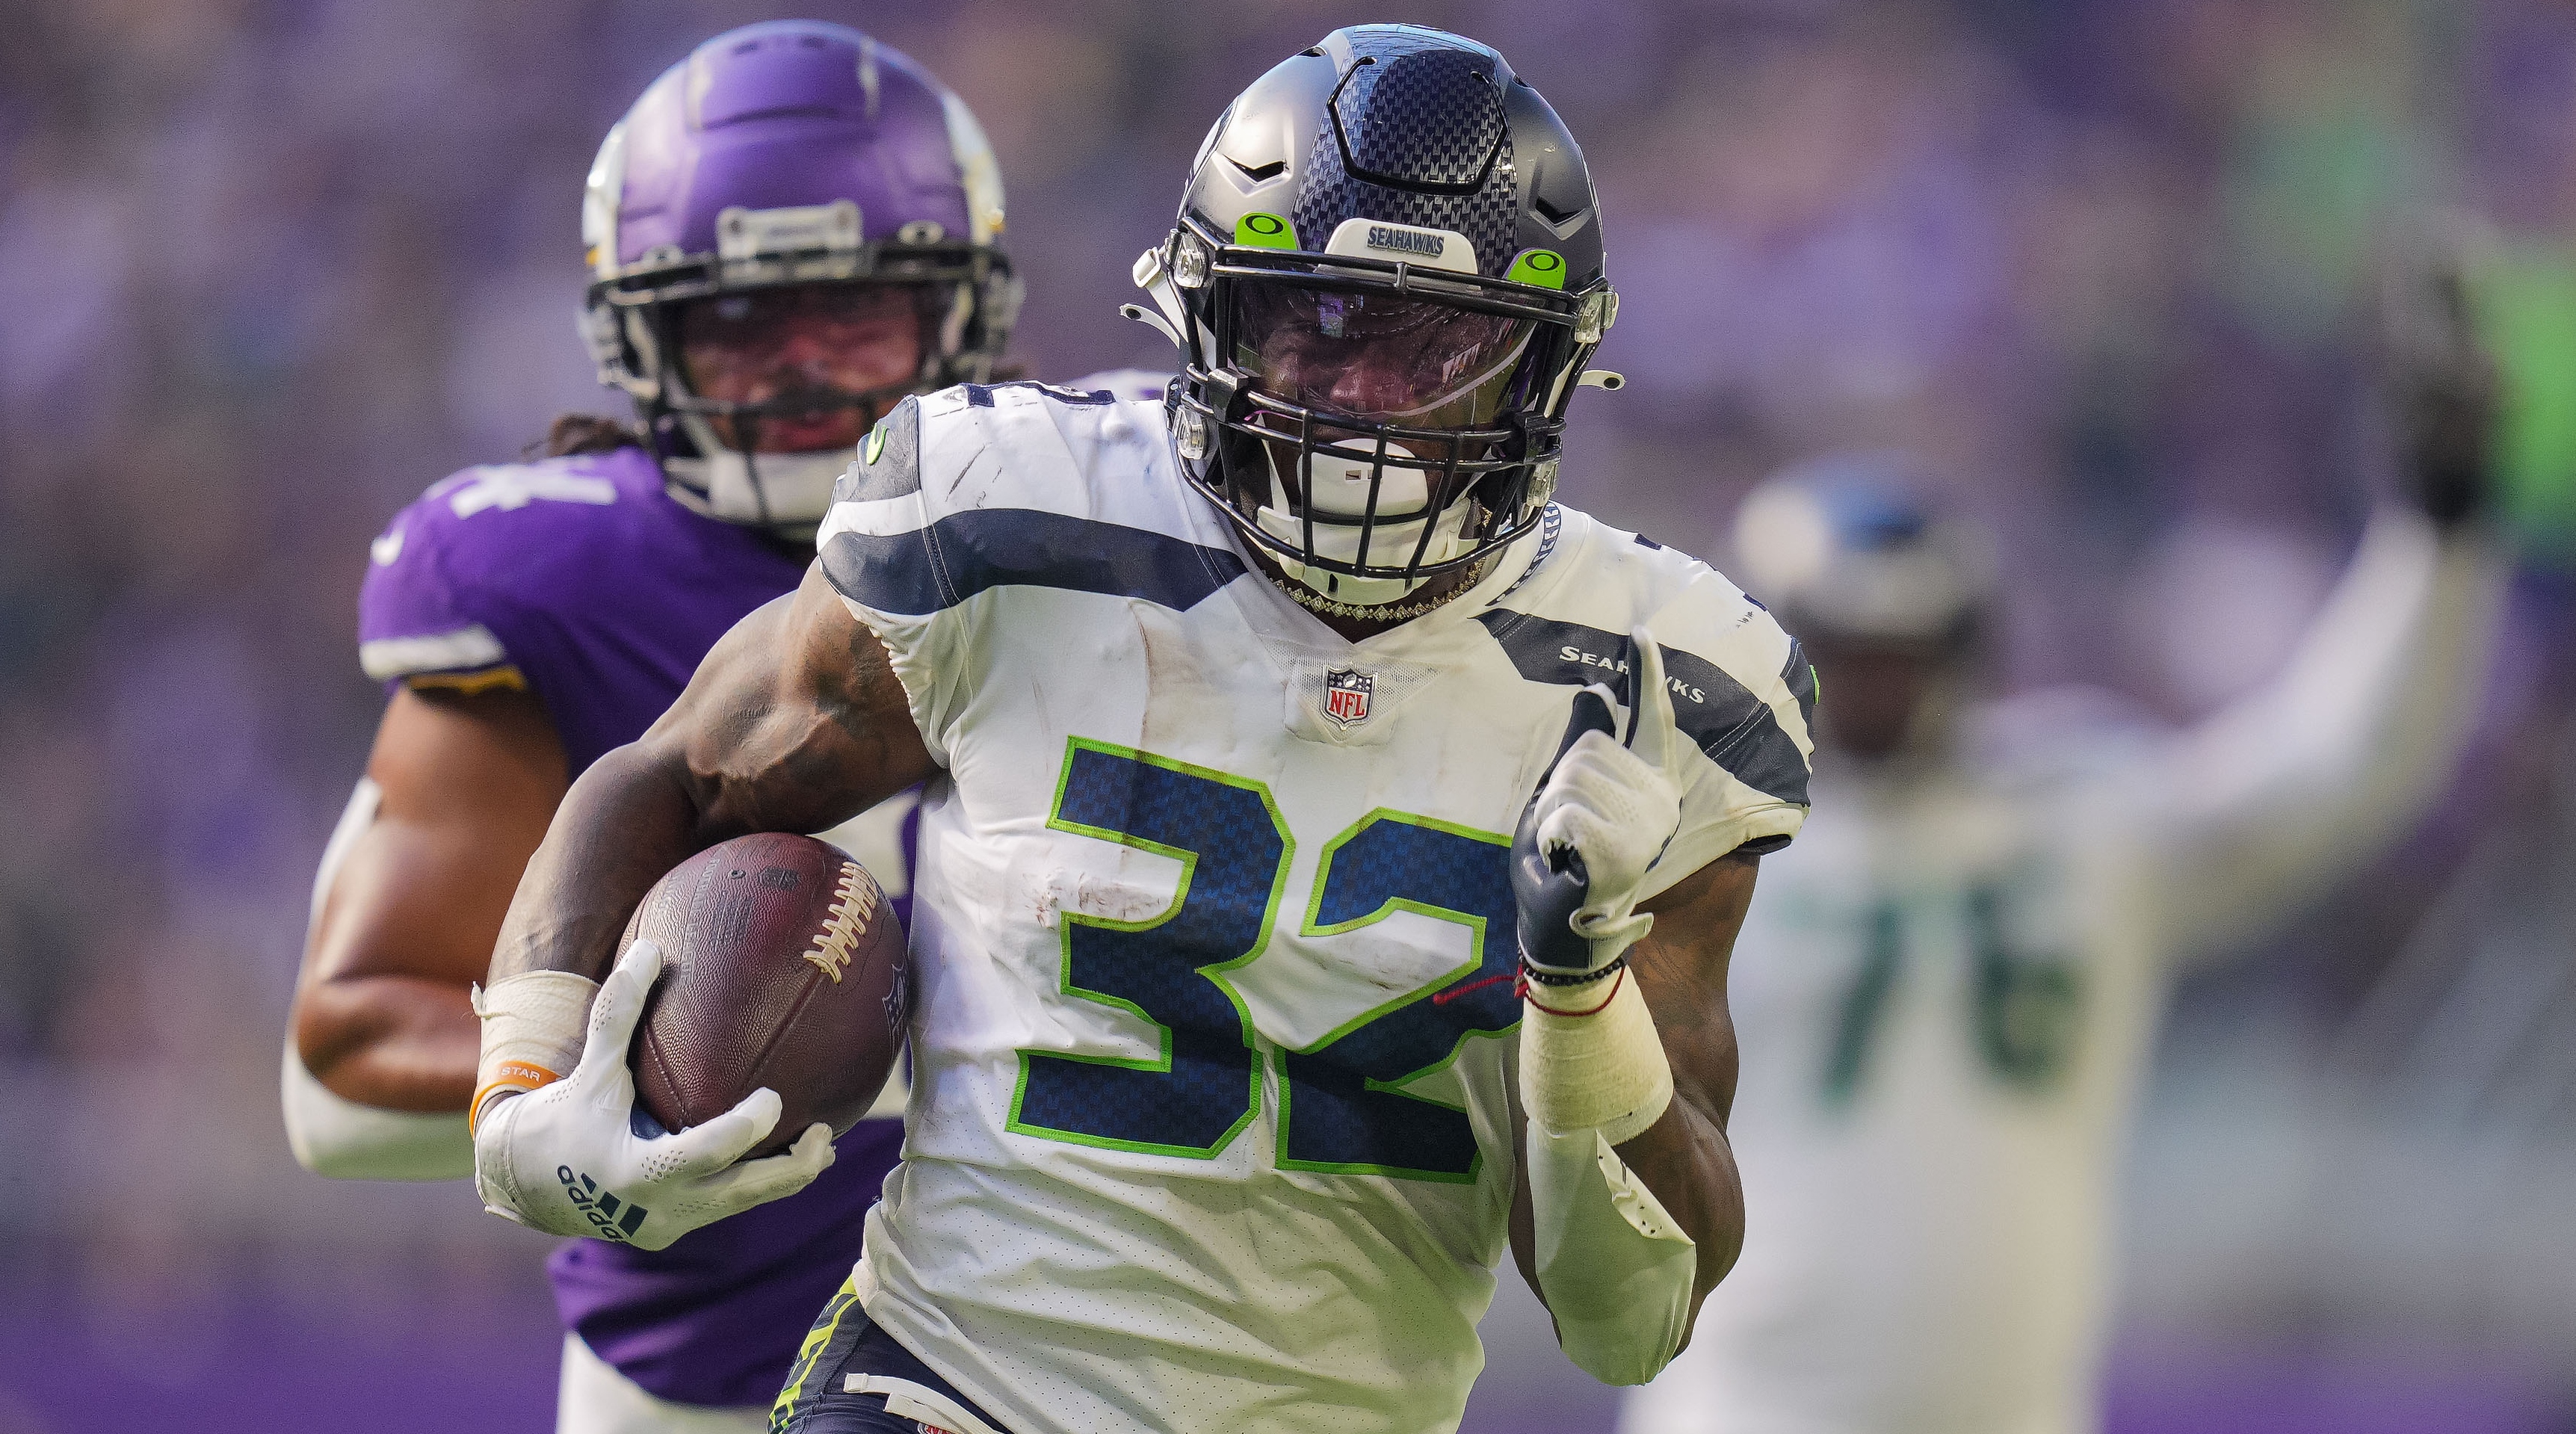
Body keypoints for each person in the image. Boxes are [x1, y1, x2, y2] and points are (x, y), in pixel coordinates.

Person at [463, 25, 1818, 1434]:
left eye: (1435, 357)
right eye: (1316, 332)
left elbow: (1627, 1319)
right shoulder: (1008, 514)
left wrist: (1583, 997)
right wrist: (524, 1085)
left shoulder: (1668, 683)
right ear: (1205, 322)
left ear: (1542, 372)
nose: (1360, 411)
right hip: (956, 1377)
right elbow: (676, 779)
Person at [282, 22, 1022, 1431]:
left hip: (1086, 1350)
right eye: (741, 327)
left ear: (961, 311)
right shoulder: (557, 577)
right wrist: (589, 1080)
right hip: (705, 1390)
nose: (805, 373)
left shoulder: (1086, 514)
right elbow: (341, 1068)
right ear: (641, 334)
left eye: (855, 317)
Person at [1619, 262, 2509, 1434]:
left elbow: (2337, 766)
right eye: (1850, 650)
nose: (1879, 689)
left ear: (1969, 645)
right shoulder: (1679, 837)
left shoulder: (2080, 815)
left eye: (1907, 650)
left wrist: (2438, 534)